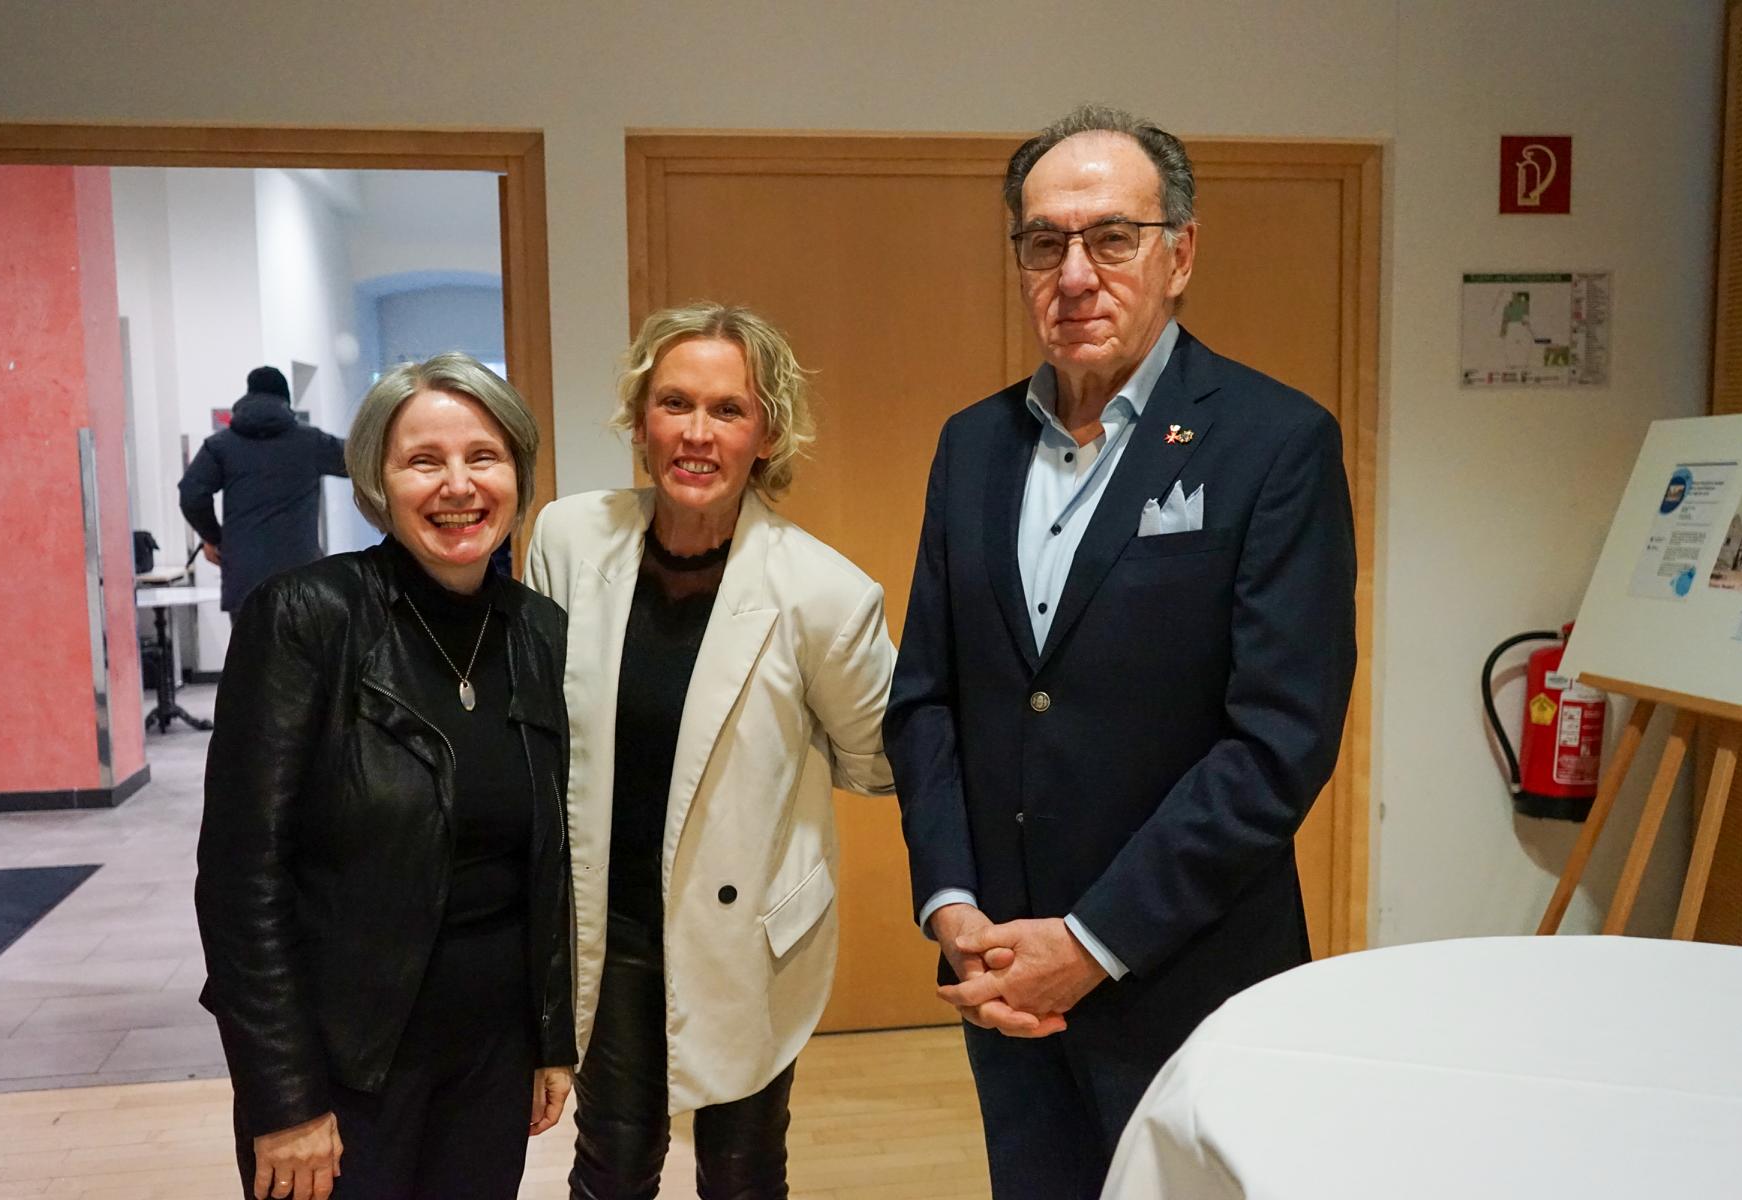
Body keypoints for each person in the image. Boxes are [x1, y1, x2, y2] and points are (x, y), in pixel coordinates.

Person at [884, 105, 1358, 1198]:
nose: (1074, 275)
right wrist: (953, 906)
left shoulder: (1274, 442)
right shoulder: (972, 445)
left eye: (1111, 238)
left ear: (1179, 255)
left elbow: (1276, 744)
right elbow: (928, 700)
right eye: (1043, 242)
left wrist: (1092, 941)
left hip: (1185, 972)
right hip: (1004, 973)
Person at [524, 302, 896, 1199]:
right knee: (611, 1161)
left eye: (728, 410)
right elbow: (534, 733)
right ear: (640, 419)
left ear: (766, 434)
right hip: (609, 926)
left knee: (742, 1170)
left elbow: (879, 760)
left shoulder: (824, 593)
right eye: (675, 403)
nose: (697, 434)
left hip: (748, 932)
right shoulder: (568, 540)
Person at [195, 352, 575, 1200]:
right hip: (345, 1065)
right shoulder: (306, 617)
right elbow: (240, 880)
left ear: (518, 473)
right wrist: (284, 1098)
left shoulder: (538, 633)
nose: (458, 486)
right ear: (377, 480)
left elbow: (548, 864)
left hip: (491, 1057)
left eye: (483, 457)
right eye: (423, 461)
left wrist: (549, 1038)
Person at [178, 365, 348, 612]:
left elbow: (191, 494)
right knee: (303, 638)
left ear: (248, 395)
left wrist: (213, 537)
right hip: (301, 579)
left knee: (250, 638)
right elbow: (363, 461)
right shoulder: (312, 442)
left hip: (245, 582)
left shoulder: (220, 445)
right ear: (286, 400)